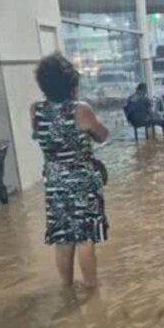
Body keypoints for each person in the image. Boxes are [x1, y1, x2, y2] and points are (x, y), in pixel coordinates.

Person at [31, 53, 109, 291]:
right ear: (71, 83)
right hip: (82, 180)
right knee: (86, 238)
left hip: (54, 182)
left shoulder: (36, 110)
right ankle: (91, 288)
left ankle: (66, 288)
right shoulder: (80, 109)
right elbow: (102, 135)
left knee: (63, 238)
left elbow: (43, 137)